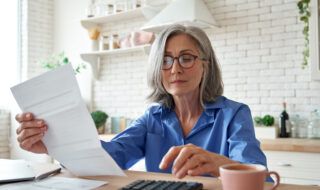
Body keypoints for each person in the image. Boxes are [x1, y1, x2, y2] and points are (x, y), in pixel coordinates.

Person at [15, 24, 268, 179]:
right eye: (166, 60)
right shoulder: (153, 118)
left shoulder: (234, 114)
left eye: (186, 58)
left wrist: (217, 163)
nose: (175, 69)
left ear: (206, 65)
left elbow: (262, 179)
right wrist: (52, 144)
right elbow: (110, 157)